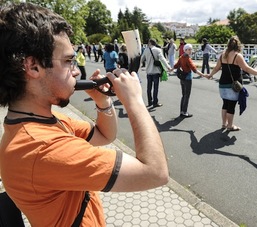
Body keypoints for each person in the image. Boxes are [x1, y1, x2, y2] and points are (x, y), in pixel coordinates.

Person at [0, 3, 169, 226]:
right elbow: (155, 173)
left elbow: (104, 135)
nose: (77, 71)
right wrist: (135, 101)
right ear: (33, 67)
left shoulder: (41, 123)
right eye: (69, 61)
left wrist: (102, 102)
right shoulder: (41, 147)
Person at [206, 36, 257, 130]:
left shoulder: (223, 55)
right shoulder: (237, 56)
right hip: (233, 86)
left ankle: (224, 124)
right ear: (238, 45)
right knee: (231, 105)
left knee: (225, 103)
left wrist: (210, 75)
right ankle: (230, 126)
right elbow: (247, 68)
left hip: (222, 84)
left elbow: (217, 67)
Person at [173, 44, 206, 118]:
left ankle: (182, 111)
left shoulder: (181, 57)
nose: (191, 51)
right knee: (186, 95)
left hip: (182, 78)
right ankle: (184, 112)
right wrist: (203, 75)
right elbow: (194, 69)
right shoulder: (187, 59)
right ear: (185, 50)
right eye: (189, 49)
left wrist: (171, 68)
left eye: (191, 49)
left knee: (183, 95)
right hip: (187, 79)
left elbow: (176, 65)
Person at [140, 38, 171, 107]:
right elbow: (163, 59)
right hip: (156, 71)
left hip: (148, 71)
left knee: (149, 88)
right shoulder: (158, 50)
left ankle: (149, 101)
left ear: (150, 43)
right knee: (155, 88)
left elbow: (141, 59)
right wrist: (168, 67)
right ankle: (155, 102)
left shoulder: (146, 50)